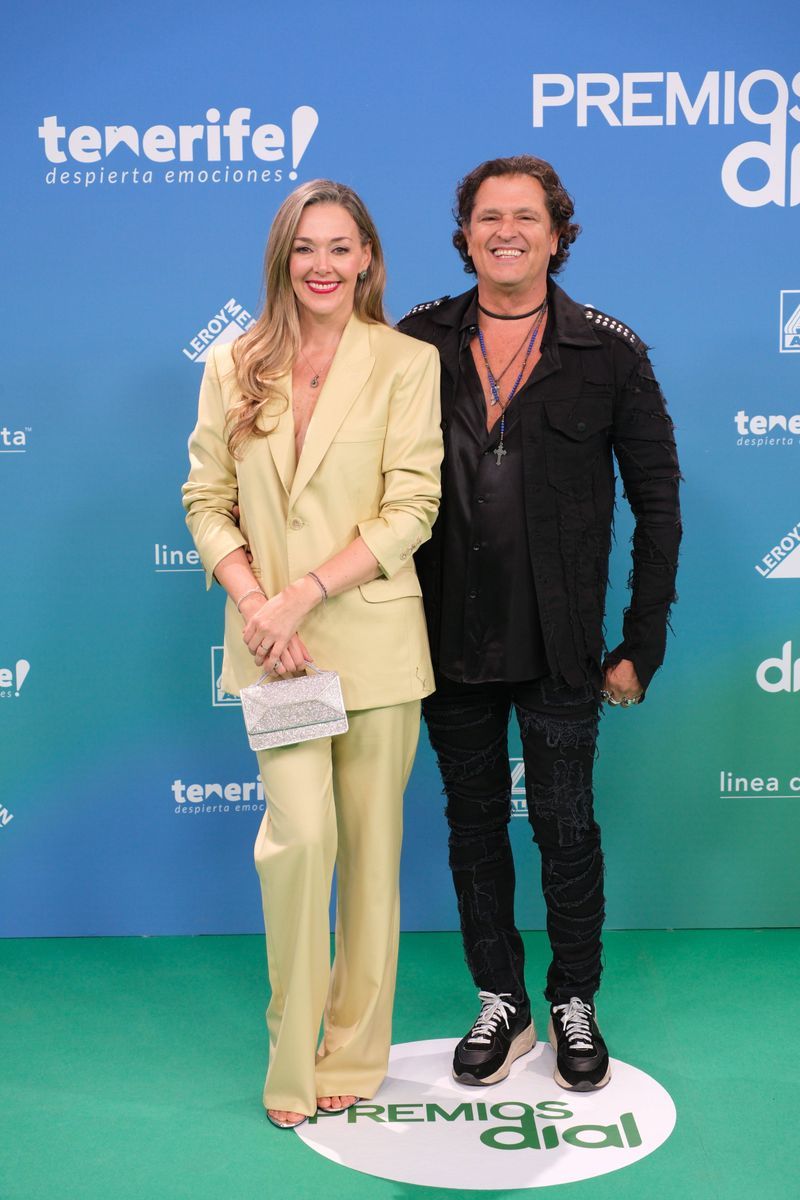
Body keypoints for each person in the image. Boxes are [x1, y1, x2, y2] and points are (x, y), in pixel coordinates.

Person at [397, 155, 681, 1092]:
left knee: (565, 825)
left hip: (563, 646)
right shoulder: (416, 341)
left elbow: (658, 500)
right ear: (465, 234)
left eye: (526, 216)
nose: (506, 231)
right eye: (489, 216)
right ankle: (502, 1002)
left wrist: (641, 641)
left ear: (557, 235)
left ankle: (573, 1001)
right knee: (472, 825)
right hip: (443, 637)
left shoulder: (609, 352)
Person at [182, 180, 442, 1128]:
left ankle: (356, 1050)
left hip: (371, 640)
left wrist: (303, 592)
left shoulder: (407, 362)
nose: (322, 265)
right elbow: (206, 500)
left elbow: (412, 507)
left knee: (370, 857)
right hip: (275, 649)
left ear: (367, 258)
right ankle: (290, 1054)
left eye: (340, 247)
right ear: (281, 258)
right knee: (299, 844)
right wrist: (260, 603)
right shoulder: (232, 362)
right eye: (305, 247)